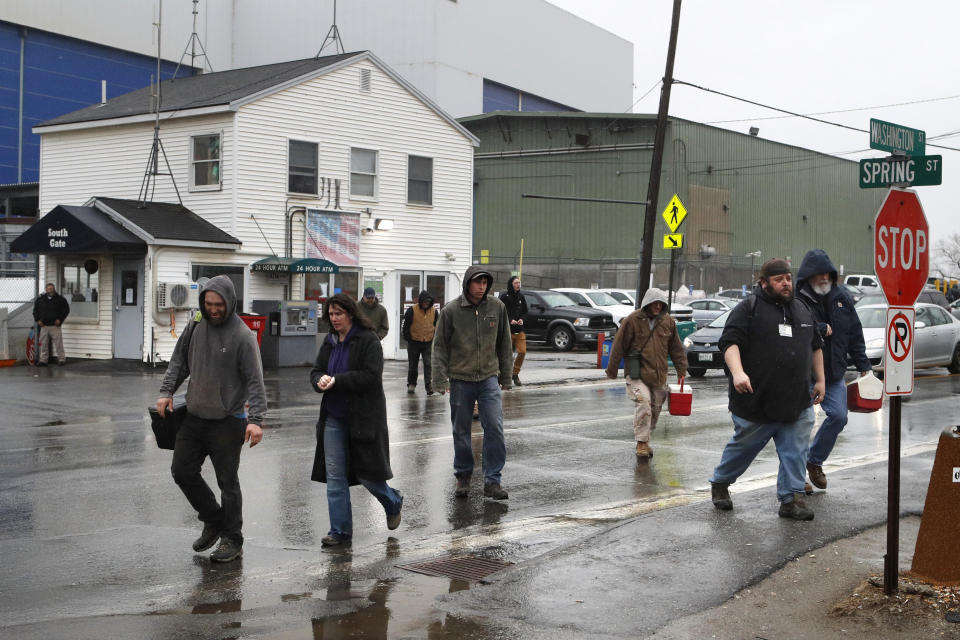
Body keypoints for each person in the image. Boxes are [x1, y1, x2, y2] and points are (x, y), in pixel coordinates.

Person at [157, 276, 266, 562]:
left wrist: (256, 419)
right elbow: (180, 360)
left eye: (219, 305)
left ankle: (233, 538)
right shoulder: (195, 323)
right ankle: (213, 518)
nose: (214, 309)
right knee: (182, 471)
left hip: (228, 420)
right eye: (209, 304)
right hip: (193, 415)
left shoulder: (243, 336)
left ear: (229, 303)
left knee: (227, 482)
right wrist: (167, 391)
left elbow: (255, 380)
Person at [709, 259, 825, 521]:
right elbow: (729, 343)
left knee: (795, 451)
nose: (786, 283)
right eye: (778, 279)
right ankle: (721, 482)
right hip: (755, 401)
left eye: (788, 278)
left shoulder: (802, 308)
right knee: (743, 449)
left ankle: (791, 498)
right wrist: (738, 372)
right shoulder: (747, 308)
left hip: (796, 400)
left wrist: (821, 380)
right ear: (763, 283)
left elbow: (815, 346)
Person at [310, 293, 403, 547]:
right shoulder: (330, 341)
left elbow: (371, 376)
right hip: (333, 417)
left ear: (350, 313)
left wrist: (338, 380)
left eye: (339, 314)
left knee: (367, 474)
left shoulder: (368, 340)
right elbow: (317, 369)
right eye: (330, 314)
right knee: (335, 477)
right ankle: (340, 531)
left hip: (362, 417)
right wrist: (319, 380)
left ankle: (393, 501)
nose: (334, 319)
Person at [432, 266, 513, 500]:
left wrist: (506, 376)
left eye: (485, 282)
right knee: (461, 431)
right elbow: (439, 347)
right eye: (477, 282)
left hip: (488, 377)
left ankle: (492, 480)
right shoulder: (451, 311)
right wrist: (439, 379)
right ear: (468, 283)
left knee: (495, 428)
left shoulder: (497, 308)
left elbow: (504, 343)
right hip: (460, 379)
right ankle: (463, 476)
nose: (481, 287)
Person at [796, 249, 872, 491]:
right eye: (818, 274)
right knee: (799, 426)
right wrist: (815, 327)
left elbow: (854, 333)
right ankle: (797, 479)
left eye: (827, 274)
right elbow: (792, 327)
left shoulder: (842, 297)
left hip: (834, 373)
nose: (823, 278)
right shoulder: (797, 299)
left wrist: (864, 365)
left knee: (839, 416)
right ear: (808, 275)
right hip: (803, 374)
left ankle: (814, 460)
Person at [605, 288, 687, 458]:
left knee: (655, 409)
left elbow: (676, 348)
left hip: (658, 375)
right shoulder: (632, 320)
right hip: (636, 373)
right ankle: (641, 443)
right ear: (647, 303)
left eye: (660, 303)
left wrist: (681, 369)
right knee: (644, 403)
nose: (657, 306)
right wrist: (612, 370)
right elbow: (619, 345)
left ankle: (646, 439)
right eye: (654, 303)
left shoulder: (668, 322)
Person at [401, 290, 438, 395]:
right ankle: (411, 384)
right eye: (424, 301)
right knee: (413, 365)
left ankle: (429, 386)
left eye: (428, 302)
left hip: (428, 342)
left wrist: (434, 339)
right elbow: (405, 326)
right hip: (414, 342)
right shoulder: (412, 310)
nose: (426, 303)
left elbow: (437, 326)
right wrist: (408, 338)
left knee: (428, 364)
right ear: (421, 301)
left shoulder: (434, 312)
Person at [500, 275, 528, 386]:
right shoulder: (505, 297)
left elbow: (525, 311)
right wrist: (510, 320)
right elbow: (501, 312)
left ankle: (515, 373)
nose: (518, 285)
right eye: (516, 283)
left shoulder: (521, 297)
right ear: (511, 284)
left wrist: (522, 319)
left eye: (519, 283)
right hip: (508, 331)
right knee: (507, 355)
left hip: (519, 330)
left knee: (522, 352)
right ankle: (503, 376)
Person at [33, 282, 70, 366]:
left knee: (58, 344)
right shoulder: (40, 299)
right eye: (49, 289)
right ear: (46, 290)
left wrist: (60, 319)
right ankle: (43, 360)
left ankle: (61, 359)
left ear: (54, 289)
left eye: (52, 288)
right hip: (44, 326)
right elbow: (35, 311)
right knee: (43, 344)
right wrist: (38, 320)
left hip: (55, 326)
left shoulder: (60, 299)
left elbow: (66, 310)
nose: (51, 290)